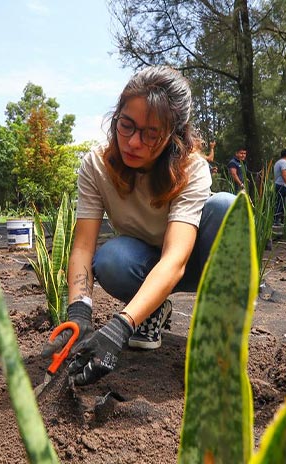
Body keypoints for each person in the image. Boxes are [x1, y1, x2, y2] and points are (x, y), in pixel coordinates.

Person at [41, 66, 235, 387]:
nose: (133, 142)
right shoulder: (96, 166)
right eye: (126, 125)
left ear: (173, 135)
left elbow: (176, 259)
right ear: (116, 116)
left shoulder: (191, 169)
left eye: (150, 134)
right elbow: (82, 247)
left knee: (226, 208)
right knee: (111, 259)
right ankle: (153, 313)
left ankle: (219, 328)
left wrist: (120, 326)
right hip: (141, 264)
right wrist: (79, 314)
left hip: (192, 262)